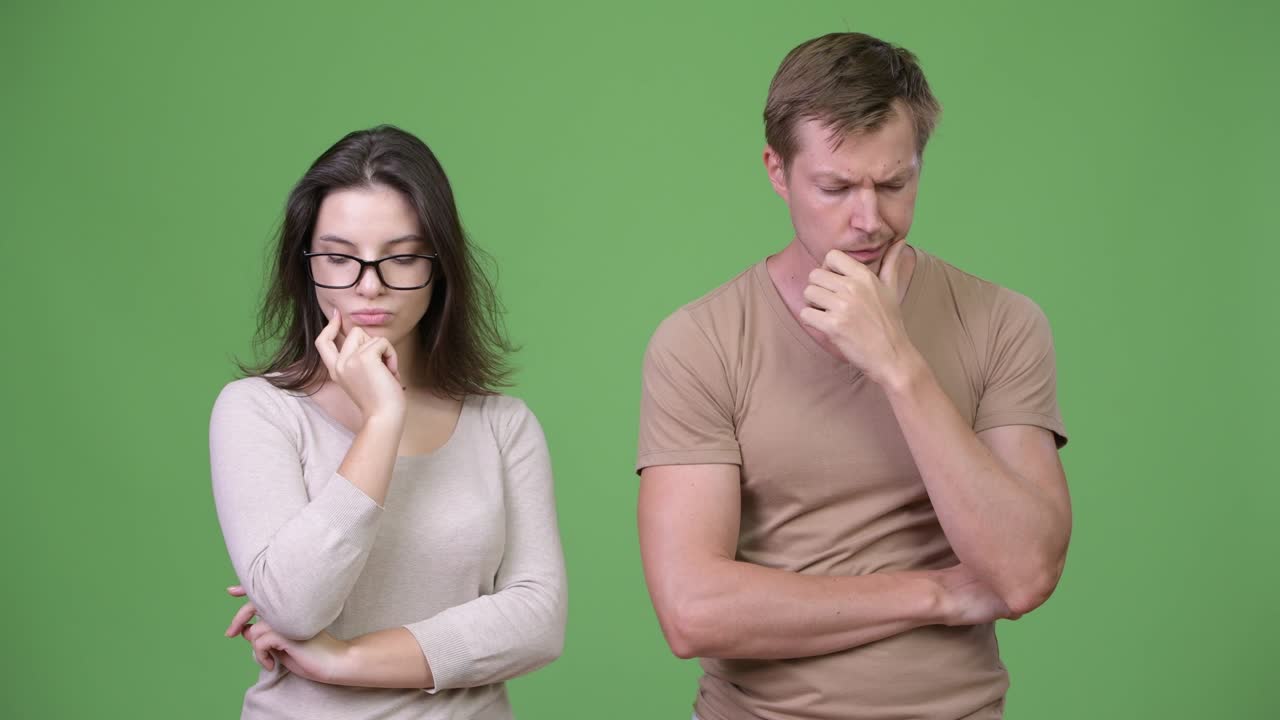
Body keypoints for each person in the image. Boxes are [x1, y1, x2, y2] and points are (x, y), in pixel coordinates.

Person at [635, 33, 1071, 720]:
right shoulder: (699, 342)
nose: (869, 221)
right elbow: (692, 611)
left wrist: (898, 364)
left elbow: (1022, 574)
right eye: (835, 187)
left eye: (894, 183)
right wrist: (939, 593)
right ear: (777, 171)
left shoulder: (1002, 322)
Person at [210, 125, 567, 719]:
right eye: (339, 258)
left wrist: (342, 660)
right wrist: (382, 420)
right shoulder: (259, 410)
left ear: (440, 265)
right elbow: (297, 607)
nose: (369, 285)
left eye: (401, 257)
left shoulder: (503, 425)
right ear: (306, 264)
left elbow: (538, 621)